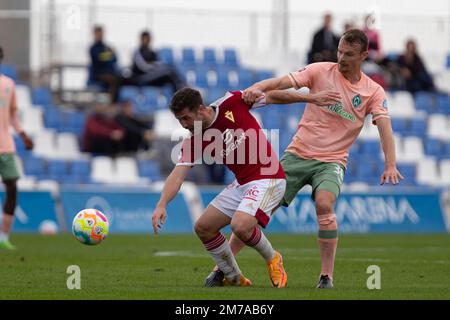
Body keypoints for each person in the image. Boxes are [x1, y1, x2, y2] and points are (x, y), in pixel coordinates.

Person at [207, 29, 403, 289]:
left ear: (364, 55)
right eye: (340, 51)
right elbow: (281, 83)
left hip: (332, 162)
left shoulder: (373, 92)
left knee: (324, 204)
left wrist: (390, 164)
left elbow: (385, 128)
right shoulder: (320, 70)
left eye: (349, 54)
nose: (342, 58)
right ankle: (221, 269)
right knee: (253, 213)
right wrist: (255, 88)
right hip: (297, 155)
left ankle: (326, 277)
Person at [151, 87, 340, 287]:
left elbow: (275, 95)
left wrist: (310, 98)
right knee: (203, 228)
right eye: (180, 120)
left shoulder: (232, 102)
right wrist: (162, 204)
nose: (184, 125)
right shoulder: (194, 140)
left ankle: (273, 258)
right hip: (243, 183)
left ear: (200, 109)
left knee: (240, 225)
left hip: (269, 177)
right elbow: (177, 175)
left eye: (186, 118)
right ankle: (233, 277)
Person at [0, 46, 34, 250]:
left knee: (12, 187)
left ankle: (3, 236)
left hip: (5, 145)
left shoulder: (8, 84)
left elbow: (12, 114)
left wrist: (22, 134)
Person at [89, 25, 122, 103]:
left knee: (120, 79)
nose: (100, 35)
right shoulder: (93, 48)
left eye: (101, 33)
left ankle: (114, 102)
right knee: (114, 80)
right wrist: (109, 55)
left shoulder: (107, 47)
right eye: (98, 33)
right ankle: (111, 103)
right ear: (94, 34)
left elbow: (115, 58)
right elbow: (98, 58)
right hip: (99, 74)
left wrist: (107, 55)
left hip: (110, 73)